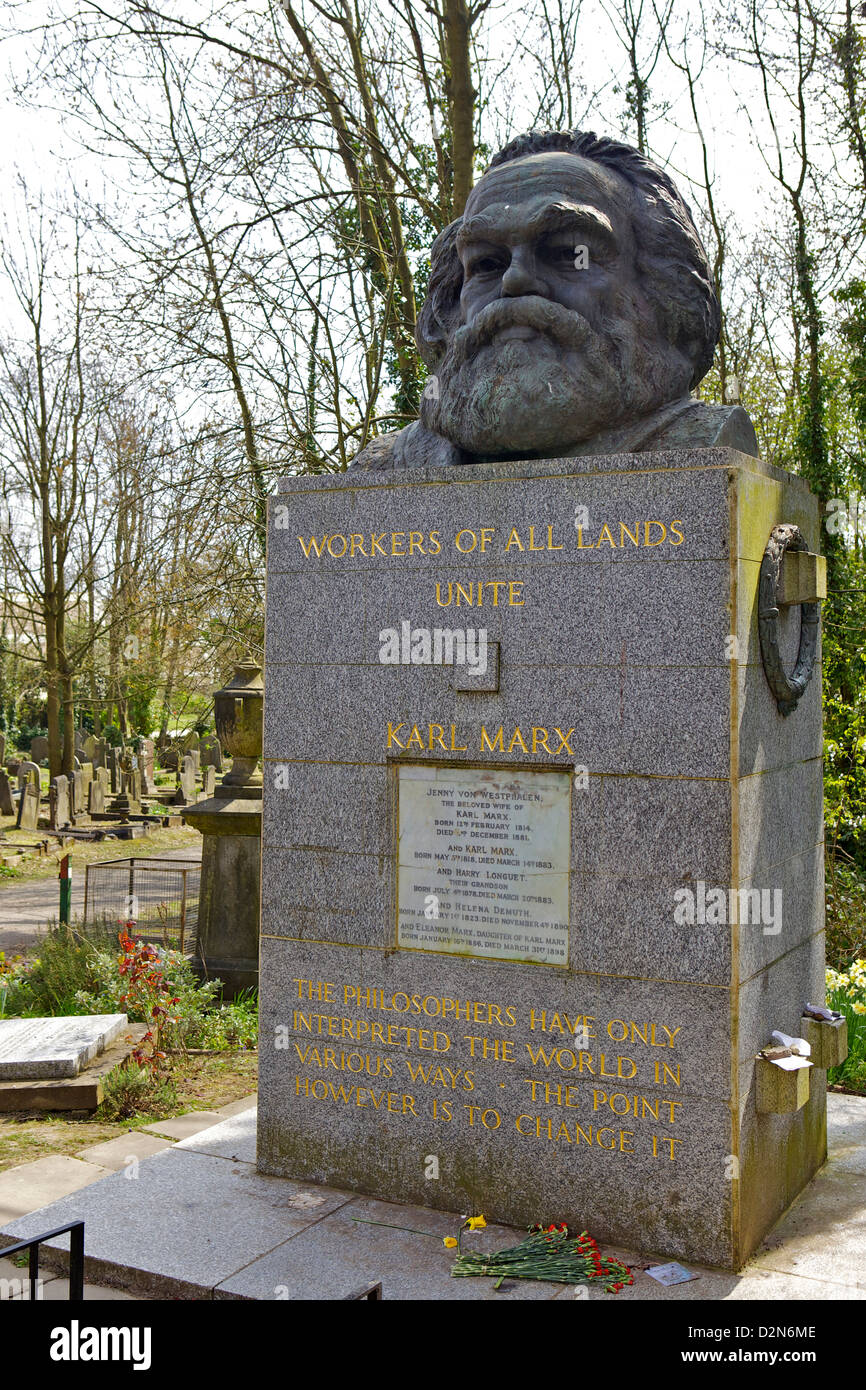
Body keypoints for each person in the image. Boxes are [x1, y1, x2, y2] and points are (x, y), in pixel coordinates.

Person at [351, 128, 756, 470]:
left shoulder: (704, 451)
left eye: (567, 254)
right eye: (488, 262)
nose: (515, 280)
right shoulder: (387, 467)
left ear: (662, 295)